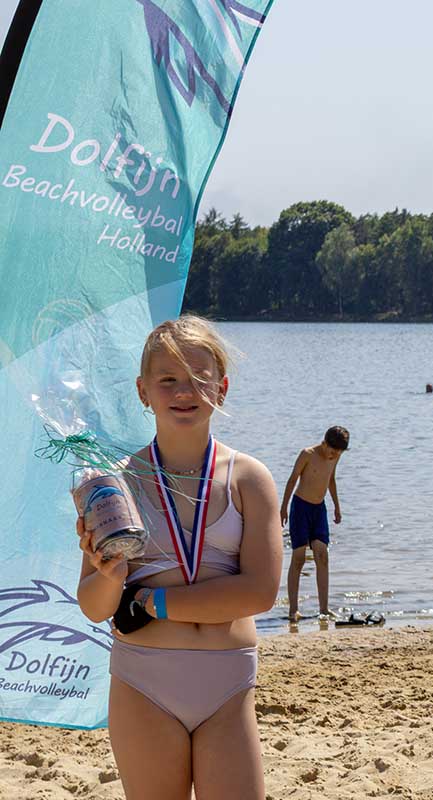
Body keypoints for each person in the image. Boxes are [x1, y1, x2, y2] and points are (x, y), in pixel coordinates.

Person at [75, 316, 281, 800]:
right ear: (142, 391)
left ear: (221, 388)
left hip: (228, 685)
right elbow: (95, 607)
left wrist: (153, 602)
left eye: (198, 378)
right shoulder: (114, 484)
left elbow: (259, 592)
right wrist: (111, 575)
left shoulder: (249, 479)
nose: (184, 391)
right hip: (144, 682)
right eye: (167, 379)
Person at [281, 426, 349, 622]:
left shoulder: (335, 456)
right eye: (332, 451)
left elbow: (331, 480)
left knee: (322, 555)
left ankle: (324, 609)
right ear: (324, 443)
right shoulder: (307, 454)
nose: (334, 455)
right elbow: (292, 480)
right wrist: (283, 507)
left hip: (319, 509)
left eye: (338, 453)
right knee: (299, 558)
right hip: (300, 508)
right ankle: (293, 610)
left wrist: (337, 506)